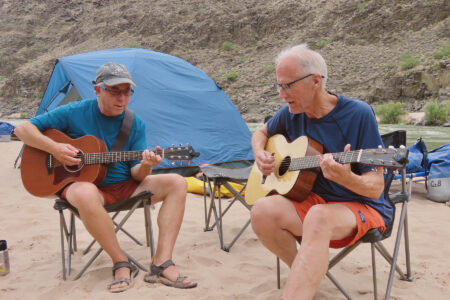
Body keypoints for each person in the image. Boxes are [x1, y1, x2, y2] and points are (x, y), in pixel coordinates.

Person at [15, 62, 197, 293]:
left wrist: (147, 166)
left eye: (127, 91)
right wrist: (55, 149)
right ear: (97, 89)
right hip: (85, 189)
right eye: (114, 91)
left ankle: (161, 263)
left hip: (125, 186)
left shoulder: (134, 123)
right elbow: (22, 130)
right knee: (84, 191)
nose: (122, 98)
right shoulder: (74, 111)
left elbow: (135, 173)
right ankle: (120, 261)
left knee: (178, 182)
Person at [250, 44, 393, 299]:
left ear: (315, 81)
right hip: (314, 202)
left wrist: (347, 178)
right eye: (278, 86)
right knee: (262, 210)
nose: (281, 95)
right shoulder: (290, 113)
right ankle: (303, 275)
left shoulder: (358, 114)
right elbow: (261, 133)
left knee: (318, 216)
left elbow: (375, 187)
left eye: (288, 86)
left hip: (362, 206)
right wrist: (260, 153)